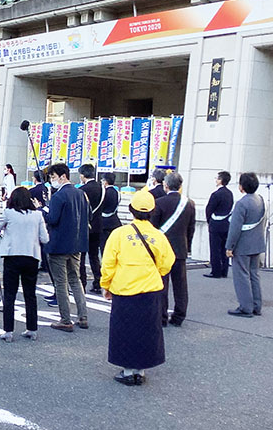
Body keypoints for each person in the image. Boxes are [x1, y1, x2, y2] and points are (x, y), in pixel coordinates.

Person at [100, 189, 176, 386]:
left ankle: (127, 371)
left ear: (131, 210)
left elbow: (108, 263)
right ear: (152, 211)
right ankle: (140, 372)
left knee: (124, 331)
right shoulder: (158, 236)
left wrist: (105, 284)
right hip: (150, 290)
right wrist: (154, 272)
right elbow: (167, 262)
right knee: (146, 331)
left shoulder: (119, 234)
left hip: (124, 289)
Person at [37, 163, 89, 332]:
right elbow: (89, 215)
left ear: (63, 176)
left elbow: (52, 219)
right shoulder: (81, 194)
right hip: (77, 244)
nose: (52, 181)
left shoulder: (59, 196)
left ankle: (65, 319)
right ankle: (83, 316)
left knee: (61, 283)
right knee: (75, 280)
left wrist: (42, 209)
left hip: (59, 245)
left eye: (53, 177)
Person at [0, 186, 49, 342]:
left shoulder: (8, 213)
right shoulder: (37, 215)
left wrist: (6, 234)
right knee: (30, 294)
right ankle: (32, 328)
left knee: (10, 294)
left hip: (12, 256)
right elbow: (44, 238)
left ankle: (8, 331)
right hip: (31, 256)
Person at [149, 172, 195, 327]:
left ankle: (162, 317)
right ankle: (179, 315)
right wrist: (187, 246)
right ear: (180, 186)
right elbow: (191, 228)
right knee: (180, 285)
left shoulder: (159, 203)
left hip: (162, 250)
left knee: (162, 283)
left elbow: (153, 228)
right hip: (180, 248)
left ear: (165, 185)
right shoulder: (189, 203)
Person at [226, 172, 266, 317]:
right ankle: (256, 305)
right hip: (256, 242)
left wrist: (229, 246)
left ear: (242, 187)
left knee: (241, 276)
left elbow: (235, 228)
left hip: (243, 245)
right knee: (254, 274)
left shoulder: (241, 203)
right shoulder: (260, 199)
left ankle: (245, 307)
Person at [79, 164, 105, 293]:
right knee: (94, 256)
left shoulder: (82, 189)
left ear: (83, 175)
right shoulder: (102, 188)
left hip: (85, 226)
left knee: (81, 257)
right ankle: (97, 282)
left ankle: (82, 284)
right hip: (98, 225)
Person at [205, 171, 234, 279]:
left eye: (217, 178)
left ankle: (215, 271)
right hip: (226, 223)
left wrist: (209, 221)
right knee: (224, 248)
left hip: (216, 224)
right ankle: (224, 270)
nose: (216, 180)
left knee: (215, 248)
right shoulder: (229, 194)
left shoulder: (216, 194)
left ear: (221, 180)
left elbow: (209, 209)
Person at [99, 172, 121, 253]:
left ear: (105, 181)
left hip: (103, 222)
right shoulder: (117, 192)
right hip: (114, 221)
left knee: (104, 246)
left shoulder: (103, 192)